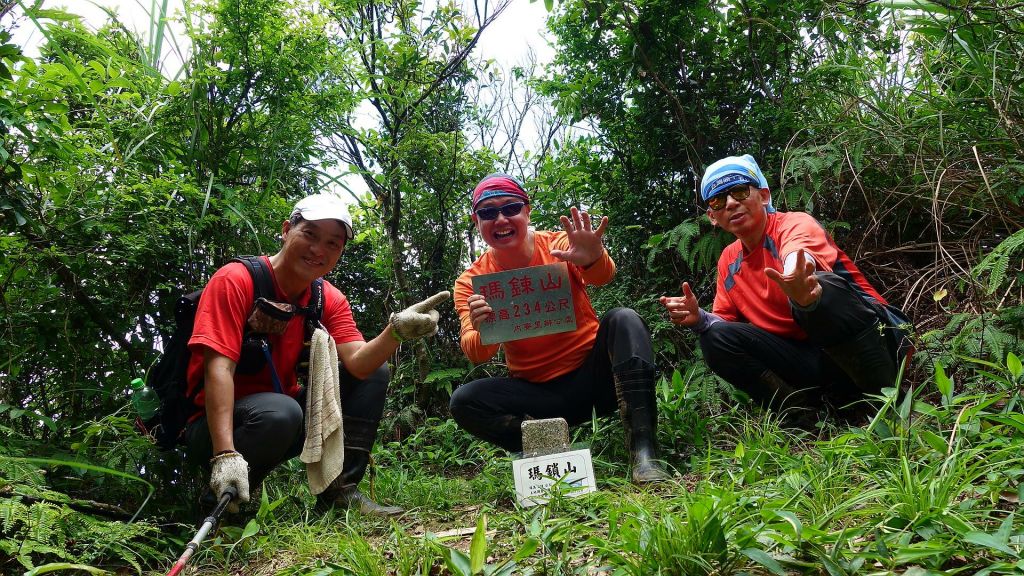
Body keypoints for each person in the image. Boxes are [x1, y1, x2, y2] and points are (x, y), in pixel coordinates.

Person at [185, 194, 449, 516]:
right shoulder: (236, 280)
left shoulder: (327, 298)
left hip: (282, 418)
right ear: (286, 230)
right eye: (309, 234)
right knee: (282, 412)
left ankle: (339, 494)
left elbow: (360, 363)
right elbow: (219, 369)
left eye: (332, 243)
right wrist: (225, 453)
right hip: (212, 426)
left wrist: (396, 331)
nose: (318, 250)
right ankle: (222, 502)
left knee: (374, 374)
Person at [450, 173, 671, 484]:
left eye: (510, 208)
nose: (500, 219)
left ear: (526, 211)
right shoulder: (471, 281)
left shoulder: (557, 245)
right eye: (488, 213)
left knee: (625, 319)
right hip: (537, 394)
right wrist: (482, 326)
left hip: (595, 378)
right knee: (464, 400)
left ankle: (645, 452)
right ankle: (550, 451)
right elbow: (475, 352)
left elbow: (603, 276)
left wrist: (592, 257)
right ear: (476, 221)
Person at [660, 154, 911, 420]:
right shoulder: (728, 261)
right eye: (718, 200)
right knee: (714, 338)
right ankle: (804, 418)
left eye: (740, 191)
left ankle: (891, 404)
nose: (731, 203)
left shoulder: (793, 224)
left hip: (880, 340)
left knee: (821, 292)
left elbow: (799, 253)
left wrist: (795, 278)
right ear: (713, 216)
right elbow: (724, 325)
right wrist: (699, 319)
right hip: (813, 360)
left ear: (764, 195)